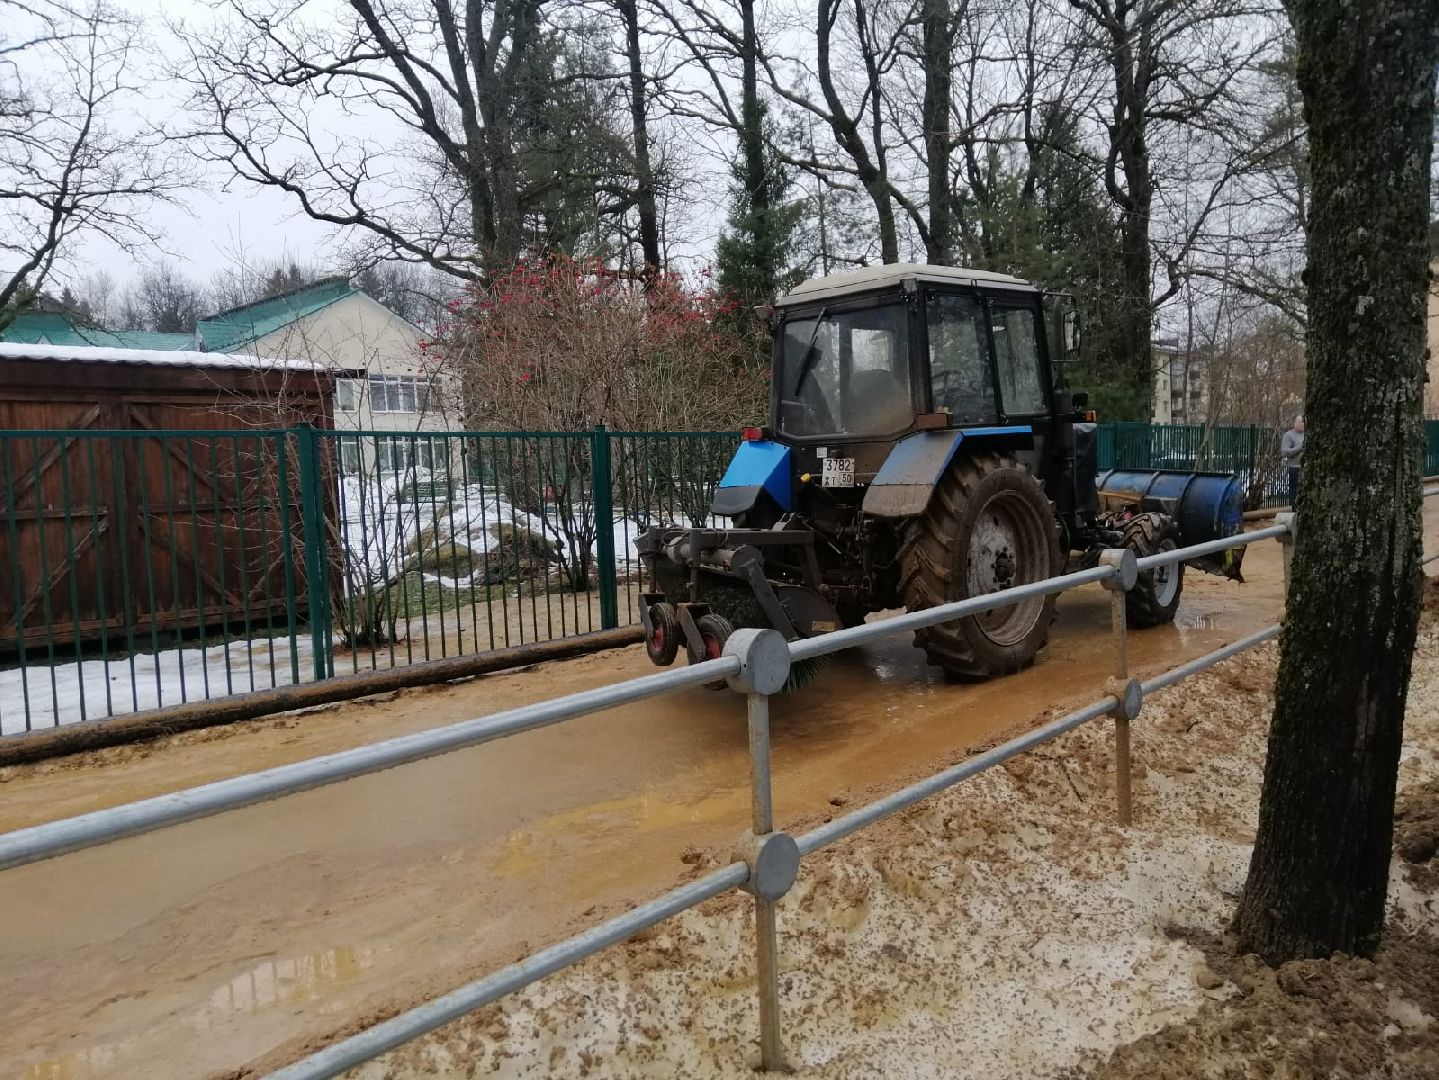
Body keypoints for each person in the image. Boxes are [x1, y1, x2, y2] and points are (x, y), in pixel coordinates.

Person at [1281, 414, 1305, 510]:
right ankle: (1294, 509)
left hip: (1306, 468)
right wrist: (1299, 447)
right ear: (1294, 423)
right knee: (1295, 491)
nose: (1302, 424)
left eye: (1304, 422)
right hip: (1295, 468)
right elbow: (1285, 452)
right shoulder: (1289, 435)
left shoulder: (1307, 434)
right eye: (1300, 422)